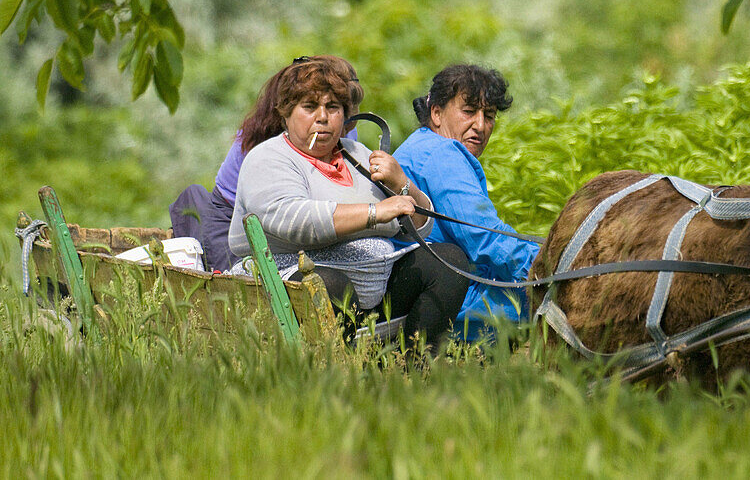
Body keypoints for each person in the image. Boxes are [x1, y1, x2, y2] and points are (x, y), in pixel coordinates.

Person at [225, 58, 470, 349]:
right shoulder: (268, 158)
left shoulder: (357, 153)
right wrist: (374, 213)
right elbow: (293, 220)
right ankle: (338, 372)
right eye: (309, 107)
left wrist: (401, 184)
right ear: (286, 114)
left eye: (332, 108)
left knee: (449, 261)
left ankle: (415, 366)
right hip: (289, 285)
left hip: (372, 288)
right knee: (329, 283)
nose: (322, 117)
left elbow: (414, 228)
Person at [170, 55, 363, 272]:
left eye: (336, 107)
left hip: (293, 218)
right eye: (311, 106)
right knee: (242, 285)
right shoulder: (266, 146)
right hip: (238, 216)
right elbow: (286, 215)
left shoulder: (341, 133)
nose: (329, 118)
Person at [394, 64, 539, 339]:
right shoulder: (442, 154)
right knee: (554, 300)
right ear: (436, 113)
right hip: (442, 303)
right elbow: (485, 239)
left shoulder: (421, 144)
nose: (481, 126)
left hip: (425, 291)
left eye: (490, 116)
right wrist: (551, 264)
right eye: (469, 112)